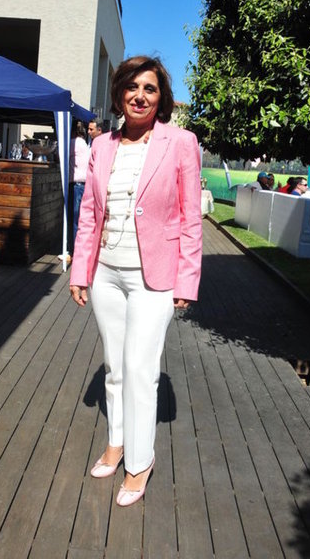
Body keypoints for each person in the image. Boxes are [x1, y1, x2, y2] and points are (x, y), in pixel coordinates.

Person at [69, 55, 202, 506]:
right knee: (115, 366)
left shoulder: (181, 143)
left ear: (161, 98)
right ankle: (117, 442)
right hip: (106, 273)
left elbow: (191, 218)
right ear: (119, 93)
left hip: (155, 277)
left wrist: (187, 281)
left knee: (142, 371)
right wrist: (81, 270)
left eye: (150, 88)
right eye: (132, 87)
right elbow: (90, 213)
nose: (140, 96)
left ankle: (140, 462)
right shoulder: (102, 146)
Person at [64, 122, 90, 261]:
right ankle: (77, 250)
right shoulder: (84, 143)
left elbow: (60, 156)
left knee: (73, 220)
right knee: (79, 220)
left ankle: (74, 251)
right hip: (83, 184)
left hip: (75, 184)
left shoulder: (73, 143)